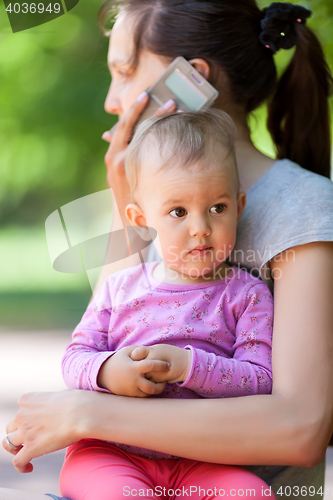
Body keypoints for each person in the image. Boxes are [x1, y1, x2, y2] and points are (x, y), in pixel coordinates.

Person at [2, 1, 333, 499]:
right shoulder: (147, 204)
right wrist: (123, 195)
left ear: (189, 79)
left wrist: (87, 415)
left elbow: (301, 429)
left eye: (123, 73)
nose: (113, 100)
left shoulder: (303, 208)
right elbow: (112, 343)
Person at [59, 110, 275, 499]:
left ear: (239, 206)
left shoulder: (247, 295)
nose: (200, 227)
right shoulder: (119, 288)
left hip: (204, 456)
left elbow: (260, 380)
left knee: (253, 493)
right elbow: (75, 358)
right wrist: (108, 371)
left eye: (218, 208)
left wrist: (187, 366)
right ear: (141, 220)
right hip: (111, 450)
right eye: (178, 211)